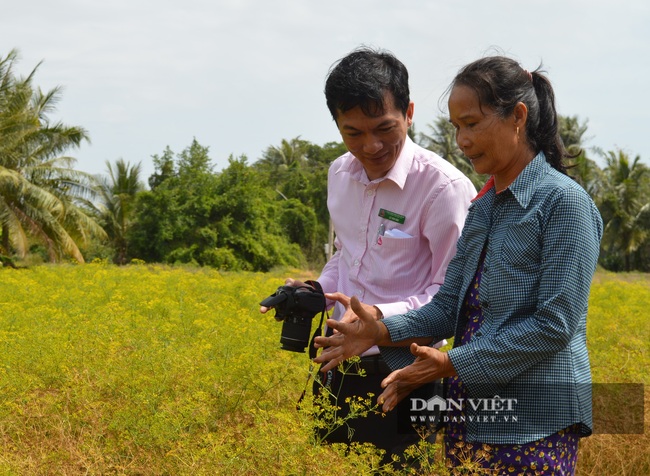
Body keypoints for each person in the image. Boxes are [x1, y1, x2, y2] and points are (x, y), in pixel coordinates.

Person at [314, 55, 603, 475]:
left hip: (535, 417)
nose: (461, 140)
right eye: (455, 128)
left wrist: (451, 364)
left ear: (517, 116)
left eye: (472, 123)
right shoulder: (483, 207)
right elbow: (449, 305)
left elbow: (554, 325)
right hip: (471, 410)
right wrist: (379, 329)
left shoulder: (563, 204)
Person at [261, 46, 476, 464]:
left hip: (405, 372)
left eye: (384, 127)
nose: (371, 145)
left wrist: (376, 319)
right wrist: (315, 292)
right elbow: (347, 258)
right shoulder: (339, 174)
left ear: (409, 112)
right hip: (337, 362)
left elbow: (451, 296)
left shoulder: (443, 189)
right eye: (353, 132)